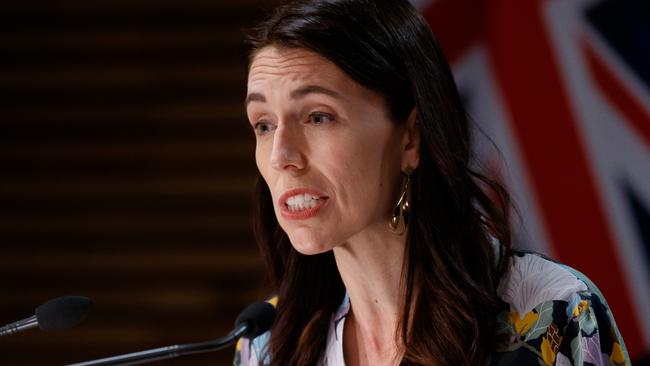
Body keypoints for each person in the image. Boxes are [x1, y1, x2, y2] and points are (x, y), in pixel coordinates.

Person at [234, 0, 631, 365]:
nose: (280, 157)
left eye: (317, 117)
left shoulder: (553, 316)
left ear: (410, 137)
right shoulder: (265, 344)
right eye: (264, 125)